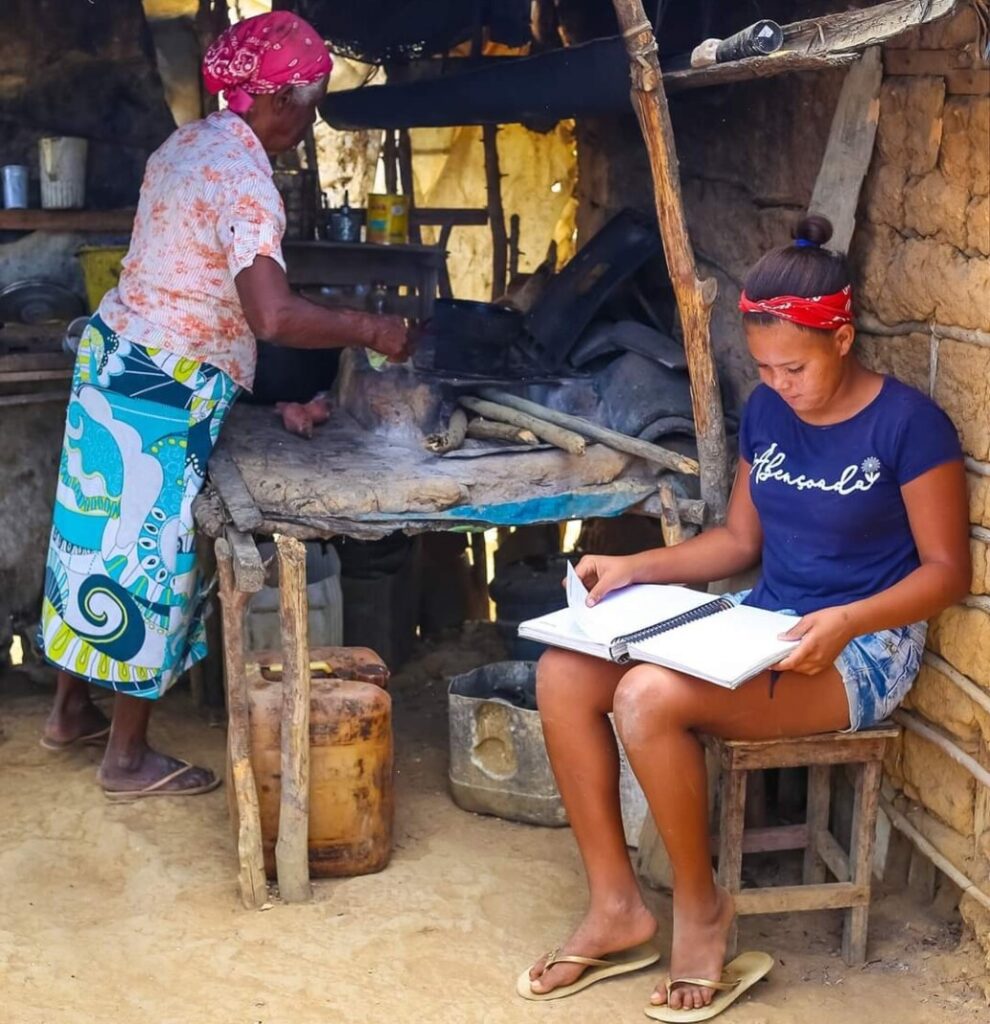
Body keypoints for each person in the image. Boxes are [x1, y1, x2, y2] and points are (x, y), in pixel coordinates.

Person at [520, 215, 970, 1018]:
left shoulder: (909, 426)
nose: (778, 384)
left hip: (860, 649)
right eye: (762, 367)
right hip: (762, 619)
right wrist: (633, 568)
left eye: (793, 366)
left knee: (646, 697)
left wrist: (846, 622)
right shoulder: (767, 415)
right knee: (561, 674)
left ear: (841, 336)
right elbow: (737, 540)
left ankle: (701, 909)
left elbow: (946, 573)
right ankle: (617, 906)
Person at [38, 12, 410, 798]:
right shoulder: (246, 179)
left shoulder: (185, 143)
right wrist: (371, 326)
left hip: (111, 361)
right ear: (282, 102)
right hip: (163, 390)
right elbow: (272, 315)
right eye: (310, 107)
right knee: (149, 560)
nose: (310, 124)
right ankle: (127, 758)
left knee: (90, 543)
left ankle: (70, 714)